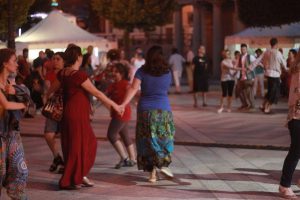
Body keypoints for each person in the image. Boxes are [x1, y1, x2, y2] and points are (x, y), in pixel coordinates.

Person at [47, 45, 123, 189]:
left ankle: (78, 176)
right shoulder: (78, 75)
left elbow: (50, 91)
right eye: (81, 56)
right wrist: (115, 106)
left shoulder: (63, 73)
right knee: (87, 144)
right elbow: (98, 93)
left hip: (69, 113)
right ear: (78, 57)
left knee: (72, 145)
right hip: (77, 114)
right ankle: (73, 178)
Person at [121, 45, 175, 183]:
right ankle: (161, 163)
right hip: (164, 110)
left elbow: (133, 88)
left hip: (145, 110)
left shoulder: (142, 71)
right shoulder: (167, 72)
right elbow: (165, 89)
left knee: (147, 141)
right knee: (163, 138)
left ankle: (152, 173)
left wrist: (123, 103)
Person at [0, 48, 29, 199]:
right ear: (5, 63)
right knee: (0, 173)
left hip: (11, 133)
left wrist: (15, 94)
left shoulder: (11, 84)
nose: (17, 64)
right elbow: (5, 105)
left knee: (20, 170)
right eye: (14, 61)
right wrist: (24, 105)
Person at [278, 50, 300, 199]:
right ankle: (284, 186)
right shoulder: (299, 71)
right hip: (298, 116)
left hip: (296, 115)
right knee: (296, 151)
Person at [106, 63, 136, 169]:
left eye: (116, 72)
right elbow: (105, 97)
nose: (113, 73)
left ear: (122, 73)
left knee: (111, 135)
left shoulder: (125, 84)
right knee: (124, 135)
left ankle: (125, 158)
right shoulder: (112, 85)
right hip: (116, 113)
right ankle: (132, 159)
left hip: (122, 113)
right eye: (112, 71)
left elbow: (133, 93)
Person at [249, 38, 288, 114]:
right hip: (275, 75)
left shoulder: (266, 52)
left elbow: (258, 60)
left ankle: (263, 105)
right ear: (276, 44)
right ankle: (267, 107)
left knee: (271, 91)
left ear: (271, 44)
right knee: (275, 92)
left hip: (268, 74)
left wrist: (250, 67)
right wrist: (288, 70)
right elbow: (284, 64)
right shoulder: (278, 53)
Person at [44, 52, 65, 173]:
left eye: (58, 59)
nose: (55, 61)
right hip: (53, 107)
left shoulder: (66, 73)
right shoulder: (50, 74)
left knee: (64, 136)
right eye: (54, 59)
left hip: (65, 107)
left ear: (64, 61)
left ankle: (65, 162)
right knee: (48, 134)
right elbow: (48, 89)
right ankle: (57, 157)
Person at [236, 43, 256, 111]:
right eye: (242, 49)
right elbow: (238, 66)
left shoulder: (250, 56)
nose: (243, 50)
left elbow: (255, 63)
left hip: (249, 77)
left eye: (244, 49)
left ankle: (252, 106)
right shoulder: (240, 57)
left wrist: (250, 69)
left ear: (246, 49)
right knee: (239, 90)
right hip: (242, 77)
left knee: (248, 92)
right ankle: (244, 104)